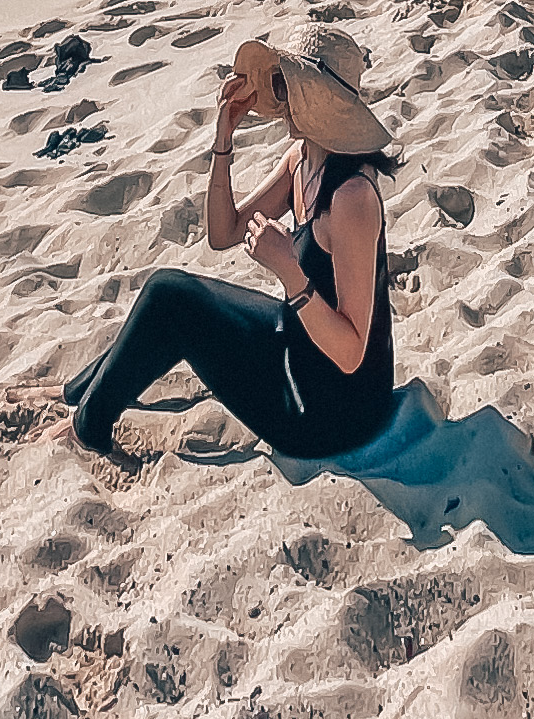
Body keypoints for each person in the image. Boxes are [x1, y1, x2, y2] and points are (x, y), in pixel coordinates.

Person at [69, 26, 397, 464]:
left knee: (170, 297)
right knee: (171, 296)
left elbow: (352, 352)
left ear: (317, 100)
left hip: (332, 414)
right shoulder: (301, 161)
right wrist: (224, 140)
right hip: (298, 346)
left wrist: (290, 273)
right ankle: (77, 393)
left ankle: (86, 427)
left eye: (285, 84)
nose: (277, 99)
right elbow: (223, 234)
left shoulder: (351, 198)